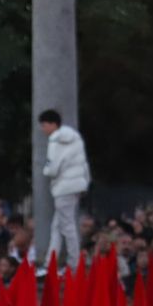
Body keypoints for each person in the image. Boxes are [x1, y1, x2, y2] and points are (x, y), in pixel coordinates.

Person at [39, 108, 90, 266]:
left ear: (53, 124)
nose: (43, 129)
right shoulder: (75, 137)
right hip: (76, 185)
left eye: (44, 125)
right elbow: (84, 164)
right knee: (58, 226)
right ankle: (50, 262)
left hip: (63, 187)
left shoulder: (55, 139)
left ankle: (74, 263)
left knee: (67, 226)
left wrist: (45, 170)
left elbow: (52, 167)